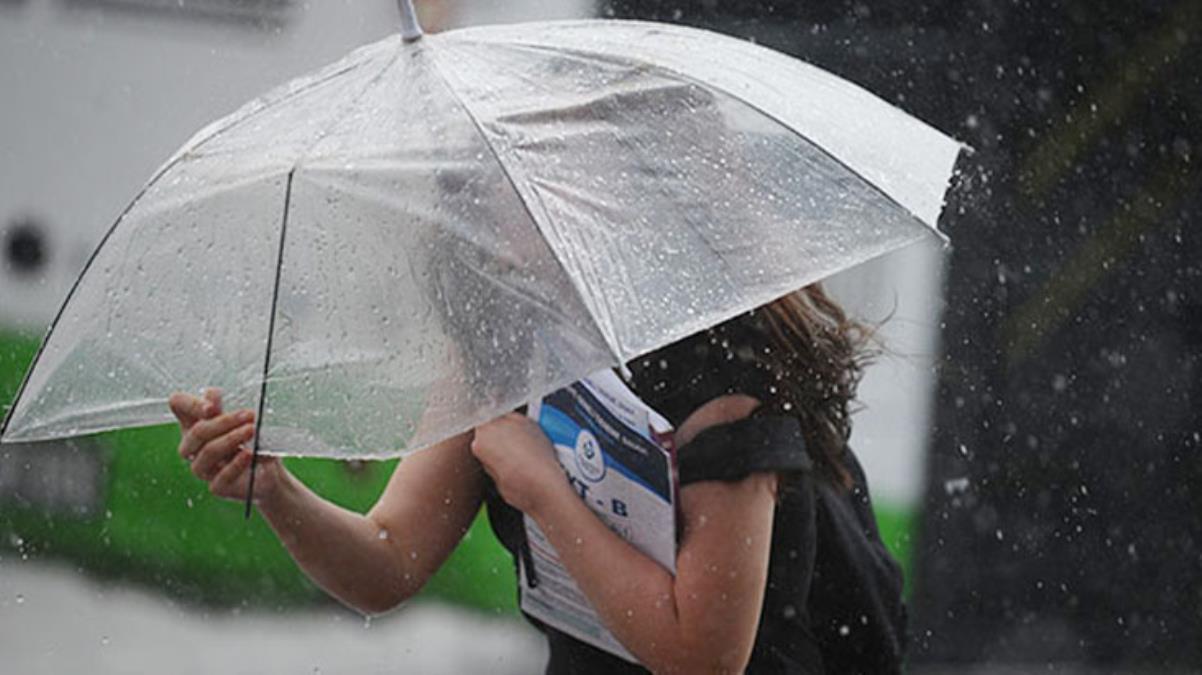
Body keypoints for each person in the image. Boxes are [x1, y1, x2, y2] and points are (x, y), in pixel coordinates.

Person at [170, 285, 906, 674]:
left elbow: (701, 657)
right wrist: (274, 490)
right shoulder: (504, 343)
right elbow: (386, 558)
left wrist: (544, 491)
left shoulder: (723, 374)